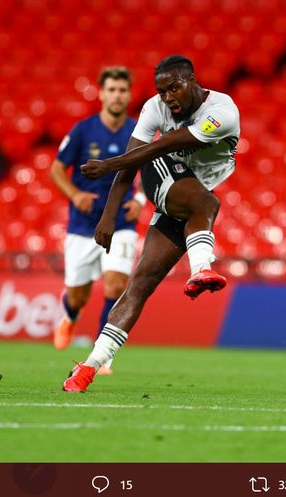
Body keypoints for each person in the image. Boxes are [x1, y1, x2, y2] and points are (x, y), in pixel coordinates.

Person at [62, 54, 239, 392]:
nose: (168, 98)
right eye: (162, 91)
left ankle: (88, 368)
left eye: (174, 88)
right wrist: (109, 214)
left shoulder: (222, 112)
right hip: (160, 176)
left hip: (185, 194)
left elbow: (172, 141)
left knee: (140, 286)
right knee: (207, 202)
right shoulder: (154, 107)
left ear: (192, 81)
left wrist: (108, 164)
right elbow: (137, 159)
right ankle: (201, 268)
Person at [50, 66, 146, 375]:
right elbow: (56, 169)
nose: (117, 95)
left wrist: (140, 200)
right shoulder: (83, 130)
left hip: (121, 222)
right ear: (102, 93)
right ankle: (71, 315)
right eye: (112, 90)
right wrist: (75, 194)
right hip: (83, 224)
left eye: (122, 90)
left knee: (116, 285)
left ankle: (100, 355)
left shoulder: (138, 132)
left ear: (128, 95)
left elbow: (150, 172)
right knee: (79, 295)